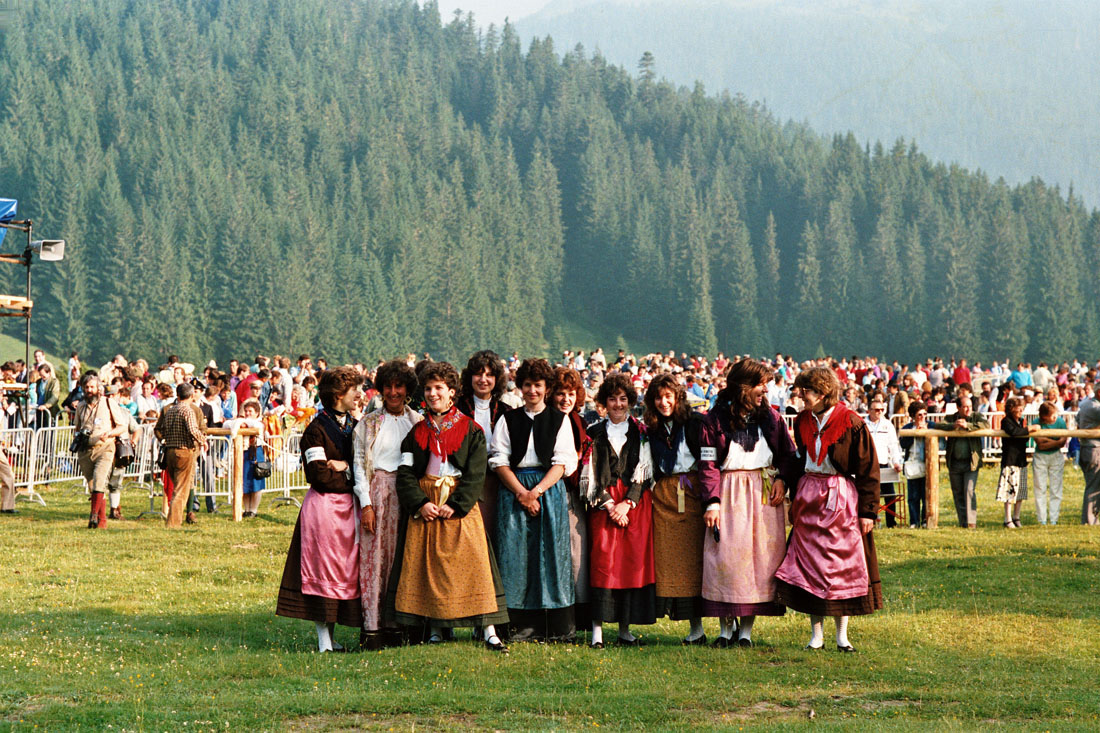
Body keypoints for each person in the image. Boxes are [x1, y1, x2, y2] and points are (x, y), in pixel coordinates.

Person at [386, 361, 509, 652]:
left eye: (439, 388)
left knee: (475, 564)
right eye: (428, 388)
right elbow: (406, 473)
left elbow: (476, 473)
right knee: (429, 567)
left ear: (451, 391)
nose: (433, 394)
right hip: (427, 502)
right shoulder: (416, 432)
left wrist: (456, 504)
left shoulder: (471, 430)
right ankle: (436, 629)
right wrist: (420, 503)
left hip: (459, 505)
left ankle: (489, 630)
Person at [775, 366, 882, 653]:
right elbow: (799, 459)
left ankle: (842, 636)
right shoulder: (803, 421)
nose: (801, 396)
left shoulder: (851, 423)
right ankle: (816, 635)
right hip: (809, 496)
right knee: (811, 565)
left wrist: (868, 511)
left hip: (839, 498)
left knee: (840, 564)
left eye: (807, 391)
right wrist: (787, 486)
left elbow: (868, 469)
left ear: (823, 393)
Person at [697, 360, 799, 648]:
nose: (765, 390)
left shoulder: (772, 418)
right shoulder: (713, 420)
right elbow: (708, 464)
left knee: (757, 560)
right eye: (759, 385)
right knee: (726, 558)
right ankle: (724, 629)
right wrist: (712, 502)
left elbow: (788, 455)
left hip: (762, 493)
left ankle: (746, 632)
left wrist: (782, 479)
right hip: (728, 492)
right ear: (742, 387)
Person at [489, 358, 578, 642]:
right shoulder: (508, 420)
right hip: (514, 490)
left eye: (537, 385)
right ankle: (516, 625)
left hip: (547, 491)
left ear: (546, 388)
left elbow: (563, 463)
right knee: (515, 554)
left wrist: (536, 492)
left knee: (550, 554)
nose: (532, 391)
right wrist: (521, 493)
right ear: (520, 387)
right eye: (527, 385)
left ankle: (554, 625)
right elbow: (499, 460)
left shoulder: (559, 420)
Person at [276, 366, 362, 652]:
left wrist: (346, 466)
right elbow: (319, 474)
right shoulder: (316, 430)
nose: (358, 395)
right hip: (324, 509)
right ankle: (324, 640)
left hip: (350, 510)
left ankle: (332, 637)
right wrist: (352, 475)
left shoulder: (354, 425)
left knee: (343, 572)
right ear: (338, 395)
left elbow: (366, 464)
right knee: (322, 572)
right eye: (353, 390)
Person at [580, 373, 656, 648]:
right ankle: (597, 632)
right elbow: (587, 473)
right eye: (612, 399)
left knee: (630, 565)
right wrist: (610, 504)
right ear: (604, 402)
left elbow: (645, 469)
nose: (618, 404)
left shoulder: (641, 432)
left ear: (630, 401)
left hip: (634, 504)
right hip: (603, 504)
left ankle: (625, 629)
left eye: (623, 399)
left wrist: (627, 502)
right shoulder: (593, 433)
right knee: (603, 564)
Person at [351, 359, 421, 650]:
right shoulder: (368, 423)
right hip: (378, 492)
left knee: (405, 558)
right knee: (375, 560)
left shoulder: (417, 421)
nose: (393, 392)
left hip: (409, 493)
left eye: (399, 386)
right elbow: (358, 465)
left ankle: (403, 627)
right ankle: (374, 627)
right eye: (388, 386)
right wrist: (366, 504)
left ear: (407, 389)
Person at [643, 373, 708, 645]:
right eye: (658, 398)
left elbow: (708, 460)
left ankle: (700, 626)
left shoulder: (695, 423)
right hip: (664, 498)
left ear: (678, 397)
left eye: (668, 396)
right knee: (669, 562)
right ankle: (690, 625)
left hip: (692, 493)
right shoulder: (652, 429)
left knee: (694, 561)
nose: (664, 402)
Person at [550, 366, 593, 632]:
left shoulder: (581, 423)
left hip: (574, 494)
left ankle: (579, 613)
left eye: (571, 393)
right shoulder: (546, 420)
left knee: (577, 552)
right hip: (549, 491)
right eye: (560, 393)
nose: (566, 399)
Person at [456, 350, 510, 542]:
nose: (483, 379)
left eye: (489, 375)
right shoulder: (457, 409)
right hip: (464, 481)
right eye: (478, 374)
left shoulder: (505, 411)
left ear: (497, 379)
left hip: (496, 480)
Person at [73, 372, 131, 529]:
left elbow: (122, 426)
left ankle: (93, 516)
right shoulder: (80, 406)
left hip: (105, 448)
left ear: (98, 388)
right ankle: (102, 519)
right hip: (86, 450)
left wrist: (110, 434)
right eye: (87, 387)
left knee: (100, 480)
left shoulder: (108, 403)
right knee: (92, 485)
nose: (89, 390)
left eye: (92, 387)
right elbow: (77, 427)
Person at [154, 383, 208, 528]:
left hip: (170, 452)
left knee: (176, 488)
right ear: (191, 395)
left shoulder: (170, 410)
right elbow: (193, 430)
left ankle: (173, 519)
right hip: (183, 451)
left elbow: (161, 429)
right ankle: (173, 523)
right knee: (181, 490)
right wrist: (203, 441)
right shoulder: (188, 410)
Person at [932, 396, 988, 528]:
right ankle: (962, 522)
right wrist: (954, 425)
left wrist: (968, 426)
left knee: (969, 490)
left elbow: (986, 425)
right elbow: (939, 424)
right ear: (958, 407)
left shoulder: (976, 416)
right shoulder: (951, 417)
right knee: (957, 492)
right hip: (955, 462)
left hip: (971, 463)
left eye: (970, 406)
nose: (968, 409)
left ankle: (971, 522)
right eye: (965, 407)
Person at [996, 396, 1039, 529]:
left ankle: (1016, 516)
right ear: (1011, 408)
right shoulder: (1006, 421)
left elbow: (1023, 438)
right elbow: (1014, 432)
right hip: (1010, 460)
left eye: (1022, 408)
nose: (1021, 411)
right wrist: (1029, 429)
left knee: (1020, 491)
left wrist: (1026, 429)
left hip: (1021, 459)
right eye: (1018, 408)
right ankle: (1007, 518)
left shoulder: (1021, 421)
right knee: (1009, 490)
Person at [865, 397, 904, 528]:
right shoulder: (863, 424)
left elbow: (893, 445)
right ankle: (870, 521)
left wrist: (896, 462)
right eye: (877, 410)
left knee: (890, 495)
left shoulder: (888, 425)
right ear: (869, 410)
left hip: (883, 464)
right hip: (867, 466)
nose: (880, 412)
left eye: (882, 410)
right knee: (869, 495)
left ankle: (891, 523)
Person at [224, 399, 266, 517]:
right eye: (246, 411)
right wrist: (239, 422)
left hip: (256, 453)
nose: (247, 413)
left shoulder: (260, 423)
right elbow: (226, 424)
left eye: (250, 411)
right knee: (245, 483)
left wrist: (242, 422)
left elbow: (256, 426)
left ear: (257, 413)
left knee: (256, 483)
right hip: (244, 452)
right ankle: (246, 509)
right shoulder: (241, 422)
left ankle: (253, 510)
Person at [1031, 401, 1067, 525]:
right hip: (1040, 457)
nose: (1055, 417)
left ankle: (1053, 519)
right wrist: (1056, 441)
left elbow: (1062, 442)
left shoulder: (1060, 422)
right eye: (1052, 416)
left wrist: (1048, 440)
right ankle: (1042, 519)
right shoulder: (1036, 423)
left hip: (1056, 456)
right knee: (1040, 487)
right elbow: (1040, 444)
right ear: (1044, 417)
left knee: (1056, 488)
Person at [899, 402, 929, 529]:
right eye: (919, 415)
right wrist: (914, 432)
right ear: (913, 416)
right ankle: (914, 521)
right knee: (913, 496)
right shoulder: (907, 428)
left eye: (924, 414)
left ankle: (925, 520)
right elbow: (903, 444)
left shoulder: (930, 425)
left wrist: (925, 431)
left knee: (926, 495)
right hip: (912, 463)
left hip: (927, 464)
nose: (922, 417)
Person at [1076, 383, 1100, 525]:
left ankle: (1091, 518)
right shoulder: (1096, 408)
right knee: (1094, 485)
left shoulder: (1085, 405)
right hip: (1095, 450)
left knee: (1093, 484)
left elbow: (1077, 420)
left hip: (1086, 448)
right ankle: (1089, 520)